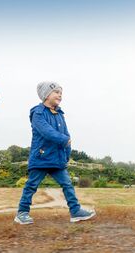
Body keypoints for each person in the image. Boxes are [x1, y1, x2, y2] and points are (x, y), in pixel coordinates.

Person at [14, 81, 95, 224]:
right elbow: (47, 131)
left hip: (57, 159)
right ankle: (22, 212)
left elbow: (66, 134)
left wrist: (66, 154)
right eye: (56, 92)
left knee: (67, 184)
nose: (60, 95)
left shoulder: (59, 114)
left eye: (61, 93)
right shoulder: (38, 113)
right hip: (42, 157)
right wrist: (64, 140)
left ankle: (75, 211)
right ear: (46, 95)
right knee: (32, 185)